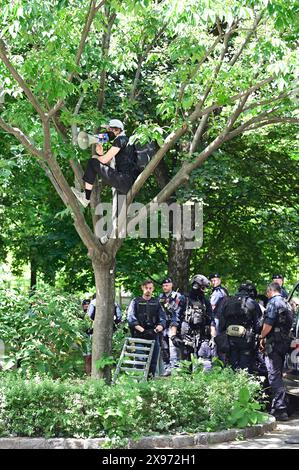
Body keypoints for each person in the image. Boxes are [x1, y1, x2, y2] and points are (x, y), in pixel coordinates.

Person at [71, 119, 139, 207]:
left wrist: (98, 157)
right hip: (126, 181)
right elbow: (112, 163)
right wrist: (101, 153)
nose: (107, 132)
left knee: (93, 162)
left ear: (117, 130)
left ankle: (86, 197)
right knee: (120, 215)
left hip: (124, 180)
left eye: (109, 130)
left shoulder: (120, 140)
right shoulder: (126, 140)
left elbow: (103, 160)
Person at [259, 282, 294, 421]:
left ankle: (280, 408)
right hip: (284, 343)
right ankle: (278, 405)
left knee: (273, 375)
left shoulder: (273, 303)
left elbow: (268, 323)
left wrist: (261, 336)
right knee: (280, 374)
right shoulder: (287, 304)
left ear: (269, 292)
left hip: (274, 343)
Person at [217, 282, 261, 373]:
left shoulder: (227, 301)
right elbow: (258, 324)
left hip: (230, 338)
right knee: (245, 366)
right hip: (246, 339)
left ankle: (233, 383)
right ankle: (243, 384)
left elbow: (221, 321)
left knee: (232, 363)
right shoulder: (252, 303)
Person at [127, 280, 166, 377]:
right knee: (140, 360)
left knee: (153, 362)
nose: (148, 290)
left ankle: (150, 383)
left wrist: (155, 330)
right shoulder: (135, 302)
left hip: (153, 335)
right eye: (146, 288)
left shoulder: (156, 302)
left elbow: (163, 319)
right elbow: (131, 319)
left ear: (153, 289)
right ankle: (139, 383)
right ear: (142, 288)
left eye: (150, 288)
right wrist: (143, 330)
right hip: (139, 335)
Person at [181, 274, 214, 366]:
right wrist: (173, 335)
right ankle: (186, 379)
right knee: (186, 362)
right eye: (203, 288)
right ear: (196, 286)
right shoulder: (184, 299)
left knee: (205, 360)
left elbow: (212, 319)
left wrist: (212, 337)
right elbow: (176, 318)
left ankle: (202, 380)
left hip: (202, 334)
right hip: (187, 335)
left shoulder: (205, 301)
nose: (204, 291)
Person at [158, 277, 185, 376]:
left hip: (174, 325)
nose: (165, 287)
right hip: (163, 325)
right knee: (164, 347)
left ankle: (175, 368)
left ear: (171, 285)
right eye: (163, 286)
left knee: (173, 347)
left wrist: (175, 327)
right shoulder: (161, 297)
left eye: (167, 285)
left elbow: (178, 313)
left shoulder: (177, 296)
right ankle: (167, 367)